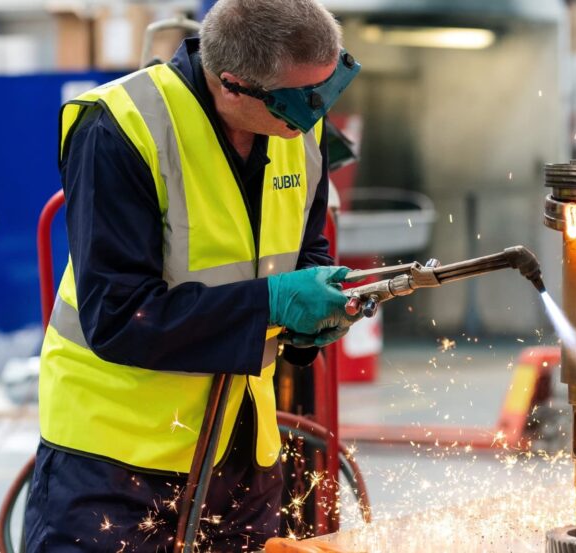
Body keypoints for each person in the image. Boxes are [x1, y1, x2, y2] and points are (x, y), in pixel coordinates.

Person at [24, 0, 360, 550]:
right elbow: (118, 314)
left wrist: (314, 313)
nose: (316, 114)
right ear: (233, 85)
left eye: (329, 88)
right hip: (117, 464)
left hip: (242, 447)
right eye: (301, 101)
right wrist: (273, 304)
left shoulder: (302, 128)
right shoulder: (120, 129)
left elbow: (307, 249)